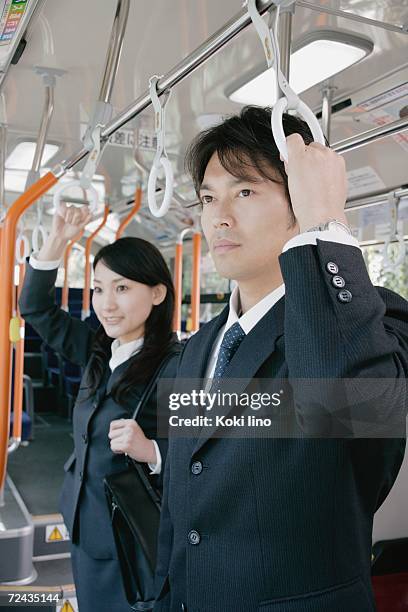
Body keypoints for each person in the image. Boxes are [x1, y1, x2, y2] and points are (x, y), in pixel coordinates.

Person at [153, 106, 408, 611]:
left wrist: (325, 224)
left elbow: (358, 417)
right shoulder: (198, 349)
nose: (219, 216)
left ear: (300, 196)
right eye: (209, 198)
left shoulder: (370, 320)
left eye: (244, 192)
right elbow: (182, 505)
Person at [19, 204, 181, 612]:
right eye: (98, 288)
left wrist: (153, 451)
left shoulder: (178, 364)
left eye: (122, 288)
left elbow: (211, 450)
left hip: (131, 537)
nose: (106, 304)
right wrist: (58, 240)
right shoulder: (98, 350)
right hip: (81, 523)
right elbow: (36, 308)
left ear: (158, 293)